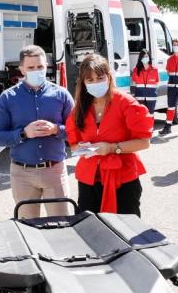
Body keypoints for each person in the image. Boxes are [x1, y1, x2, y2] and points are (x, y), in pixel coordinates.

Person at [0, 45, 74, 219]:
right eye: (31, 68)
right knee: (28, 230)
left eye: (40, 67)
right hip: (22, 174)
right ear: (22, 69)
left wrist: (55, 129)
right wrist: (23, 133)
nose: (37, 71)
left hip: (55, 171)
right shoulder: (8, 97)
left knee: (61, 227)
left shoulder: (61, 95)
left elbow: (78, 131)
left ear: (47, 66)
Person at [66, 54, 154, 215]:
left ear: (109, 77)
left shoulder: (126, 102)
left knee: (125, 230)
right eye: (90, 80)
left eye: (100, 78)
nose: (95, 83)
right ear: (83, 83)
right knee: (89, 230)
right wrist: (82, 148)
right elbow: (73, 144)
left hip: (123, 179)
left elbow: (144, 142)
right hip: (89, 180)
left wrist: (112, 148)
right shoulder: (80, 108)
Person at [131, 49, 160, 114]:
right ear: (140, 58)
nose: (145, 58)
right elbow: (133, 83)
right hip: (139, 97)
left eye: (146, 56)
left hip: (151, 98)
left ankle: (151, 125)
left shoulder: (155, 70)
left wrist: (154, 93)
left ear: (149, 58)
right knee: (141, 115)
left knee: (150, 115)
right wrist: (134, 96)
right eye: (143, 57)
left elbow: (157, 83)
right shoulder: (136, 70)